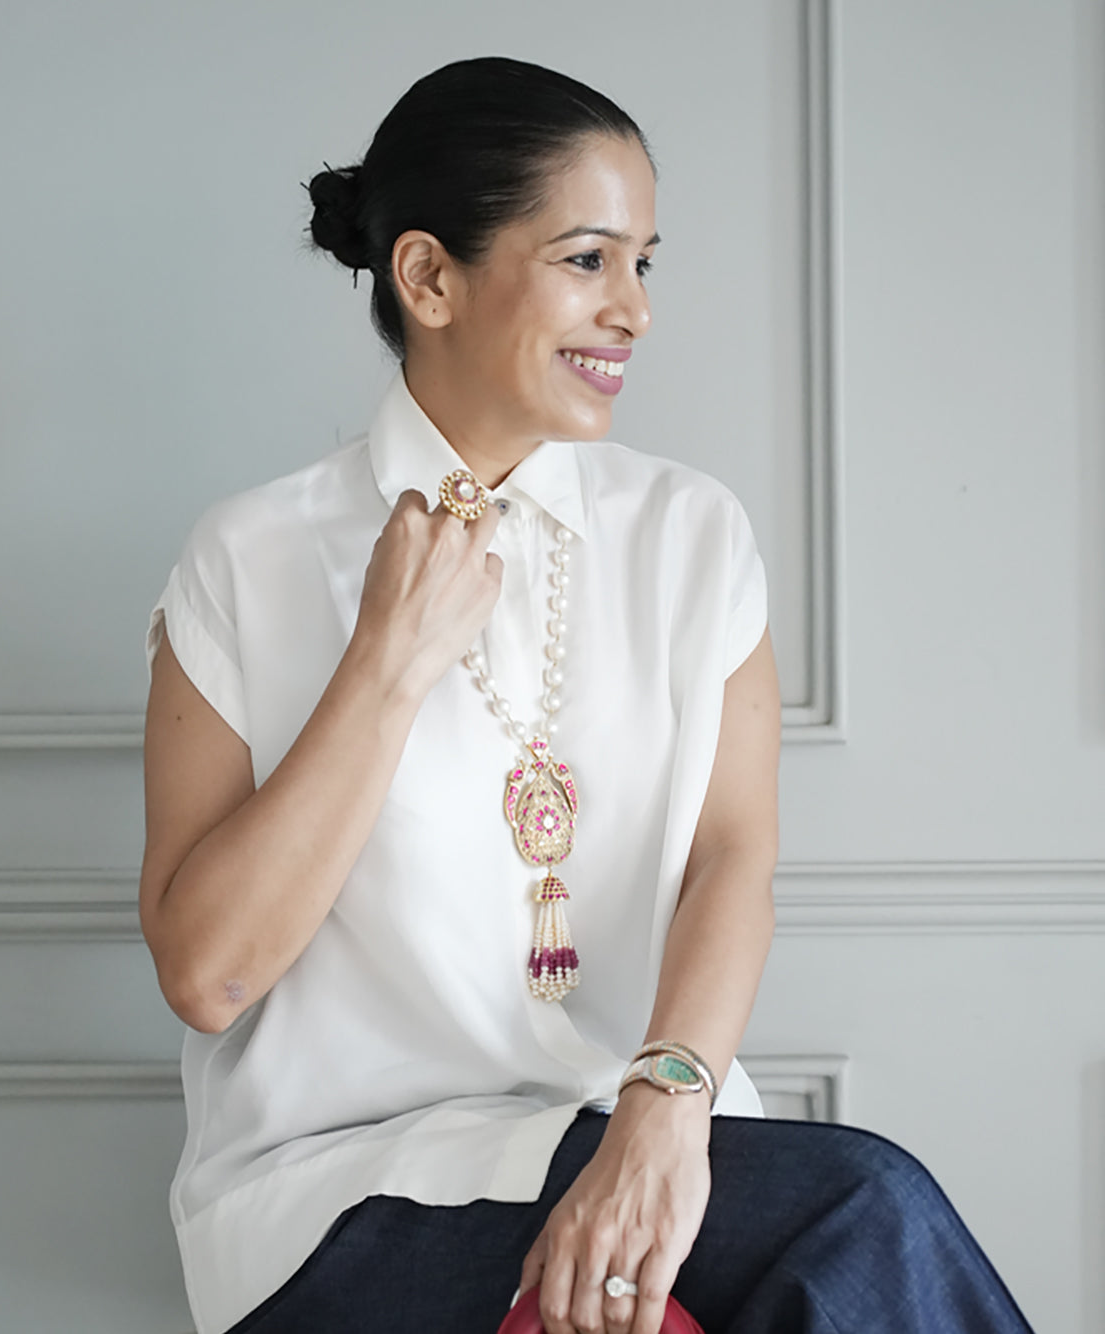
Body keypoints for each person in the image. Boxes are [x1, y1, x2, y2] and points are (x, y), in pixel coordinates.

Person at [140, 56, 1033, 1334]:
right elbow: (209, 977)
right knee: (859, 1210)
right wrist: (387, 661)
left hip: (641, 1131)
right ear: (429, 277)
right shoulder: (249, 557)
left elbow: (731, 856)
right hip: (343, 1190)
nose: (636, 310)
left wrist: (665, 1107)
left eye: (644, 263)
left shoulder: (691, 534)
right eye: (587, 259)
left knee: (826, 1232)